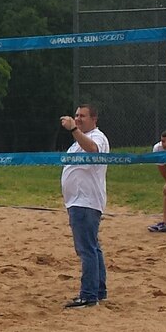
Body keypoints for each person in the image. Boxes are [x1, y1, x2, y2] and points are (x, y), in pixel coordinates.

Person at [60, 104, 110, 308]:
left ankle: (88, 295)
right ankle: (98, 290)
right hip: (78, 201)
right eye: (76, 115)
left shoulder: (98, 137)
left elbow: (92, 149)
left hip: (86, 202)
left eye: (83, 116)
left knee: (86, 249)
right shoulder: (77, 141)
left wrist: (73, 129)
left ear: (94, 119)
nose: (78, 118)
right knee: (93, 248)